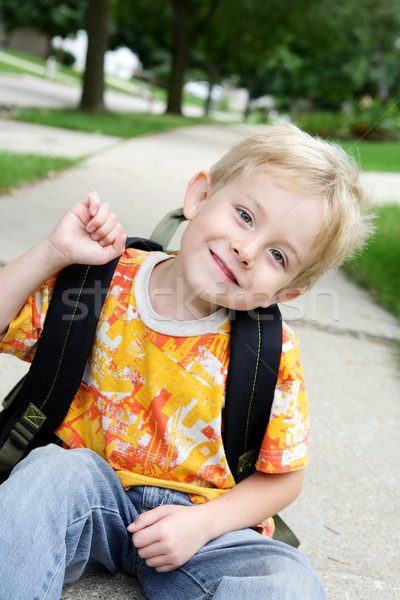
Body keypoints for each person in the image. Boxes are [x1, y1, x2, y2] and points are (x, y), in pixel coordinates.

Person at [0, 124, 373, 600]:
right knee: (44, 476)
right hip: (89, 491)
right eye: (244, 215)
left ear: (285, 292)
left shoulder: (270, 350)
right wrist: (54, 253)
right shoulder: (101, 283)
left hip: (203, 521)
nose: (246, 249)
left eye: (278, 255)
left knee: (290, 581)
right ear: (200, 195)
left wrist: (202, 524)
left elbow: (282, 480)